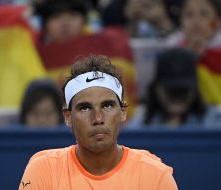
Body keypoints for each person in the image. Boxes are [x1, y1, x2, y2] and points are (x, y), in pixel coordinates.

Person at [18, 54, 178, 189]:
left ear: (123, 112)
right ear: (68, 117)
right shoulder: (43, 170)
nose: (98, 119)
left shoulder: (155, 175)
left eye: (107, 106)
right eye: (85, 108)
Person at [127, 48, 207, 128]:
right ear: (156, 89)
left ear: (195, 90)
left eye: (183, 90)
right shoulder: (139, 125)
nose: (177, 96)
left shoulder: (214, 123)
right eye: (171, 90)